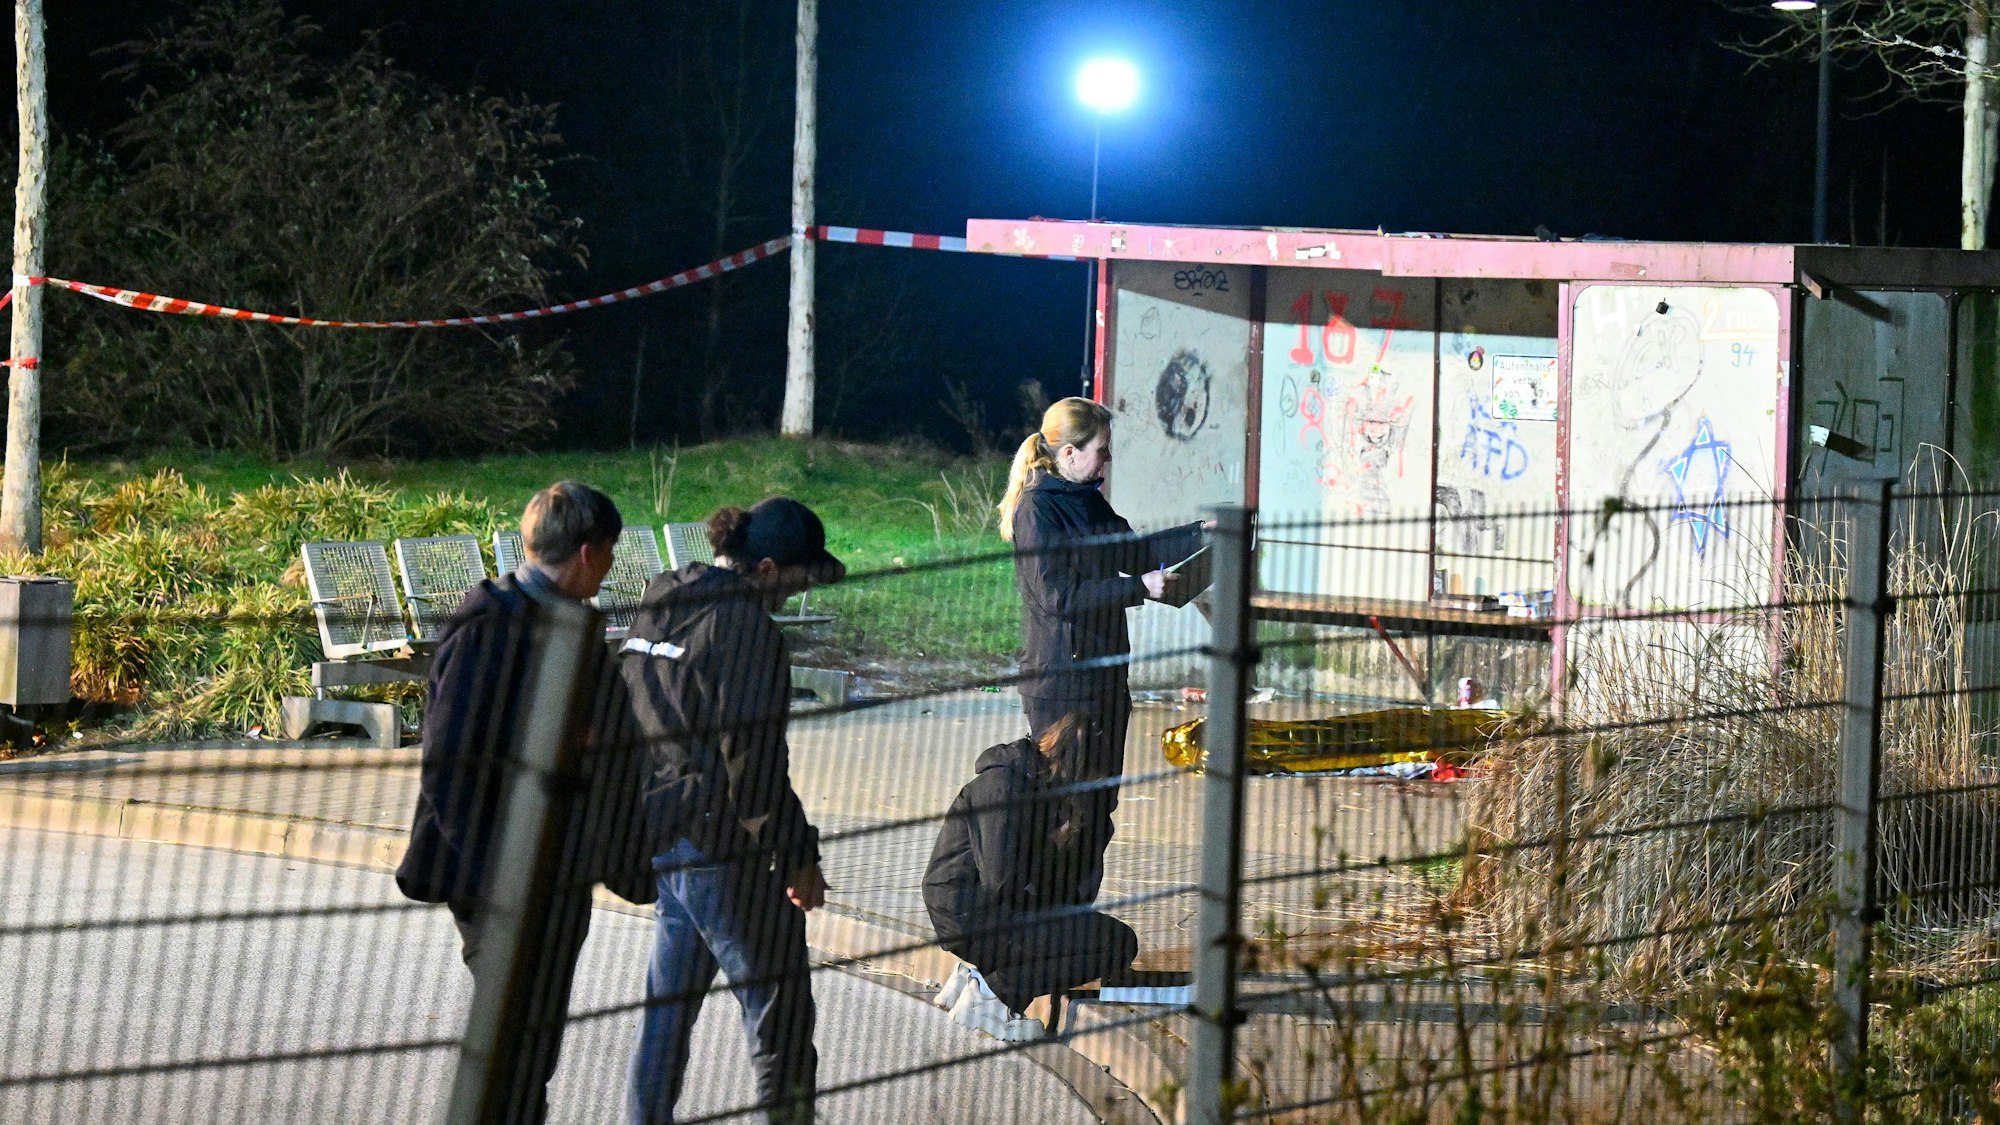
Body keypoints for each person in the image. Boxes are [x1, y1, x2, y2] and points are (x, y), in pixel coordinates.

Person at [395, 480, 654, 1125]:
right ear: (591, 553)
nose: (612, 567)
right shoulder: (494, 627)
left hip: (549, 875)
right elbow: (447, 768)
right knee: (517, 1052)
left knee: (525, 1052)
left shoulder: (554, 622)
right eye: (613, 554)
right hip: (508, 883)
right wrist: (504, 879)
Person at [621, 497, 845, 1125]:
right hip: (724, 848)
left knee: (666, 1013)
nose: (796, 595)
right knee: (779, 1016)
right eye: (798, 579)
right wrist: (798, 856)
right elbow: (754, 765)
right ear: (767, 568)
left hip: (664, 835)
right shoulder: (745, 626)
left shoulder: (664, 599)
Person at [997, 397, 1206, 897]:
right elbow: (1056, 596)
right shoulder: (1038, 510)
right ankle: (1046, 920)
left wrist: (1201, 533)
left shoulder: (1086, 499)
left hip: (1106, 676)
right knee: (1068, 810)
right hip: (1062, 685)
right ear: (1069, 453)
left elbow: (1135, 552)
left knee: (1098, 808)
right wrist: (1139, 589)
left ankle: (1076, 924)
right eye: (1101, 450)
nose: (1107, 460)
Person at [923, 713, 1139, 1041]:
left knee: (1091, 931)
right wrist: (1052, 845)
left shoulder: (1032, 783)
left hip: (978, 911)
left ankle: (978, 977)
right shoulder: (1002, 786)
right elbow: (1001, 881)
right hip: (967, 914)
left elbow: (1064, 891)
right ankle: (992, 997)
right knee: (1116, 943)